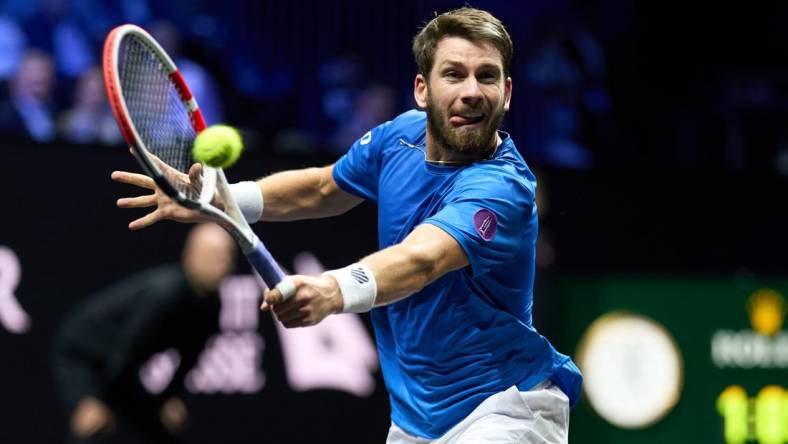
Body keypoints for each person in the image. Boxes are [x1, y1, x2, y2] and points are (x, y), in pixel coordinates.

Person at [111, 7, 582, 443]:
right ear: (423, 89)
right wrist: (222, 198)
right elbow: (321, 188)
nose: (472, 91)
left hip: (505, 409)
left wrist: (333, 291)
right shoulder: (399, 138)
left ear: (507, 92)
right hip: (417, 422)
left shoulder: (504, 188)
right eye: (454, 75)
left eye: (488, 77)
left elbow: (422, 259)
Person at [52, 223, 236, 443]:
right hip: (82, 356)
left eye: (227, 255)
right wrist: (95, 400)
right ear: (190, 257)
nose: (222, 262)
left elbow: (189, 359)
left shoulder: (212, 307)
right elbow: (126, 353)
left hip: (123, 366)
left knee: (163, 432)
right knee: (94, 426)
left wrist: (168, 399)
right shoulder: (163, 296)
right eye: (213, 255)